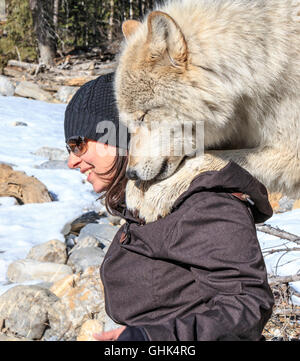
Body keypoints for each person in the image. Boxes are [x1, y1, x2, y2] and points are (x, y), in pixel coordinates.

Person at [64, 72, 274, 341]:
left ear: (124, 134)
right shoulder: (147, 202)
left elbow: (246, 306)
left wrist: (151, 340)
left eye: (77, 144)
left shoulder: (203, 201)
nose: (71, 161)